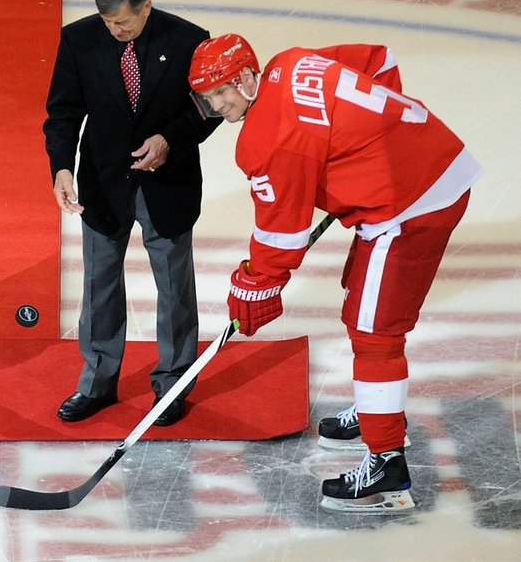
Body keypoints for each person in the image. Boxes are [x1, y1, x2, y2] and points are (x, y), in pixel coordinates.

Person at [188, 34, 481, 512]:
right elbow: (379, 61)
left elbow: (280, 235)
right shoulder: (292, 62)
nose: (218, 105)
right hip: (431, 158)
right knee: (358, 293)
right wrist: (373, 140)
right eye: (208, 97)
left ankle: (387, 464)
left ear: (244, 77)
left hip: (411, 208)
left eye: (222, 91)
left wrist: (254, 286)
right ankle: (375, 412)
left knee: (374, 330)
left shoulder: (265, 139)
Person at [43, 0, 222, 425]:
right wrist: (61, 167)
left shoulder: (188, 39)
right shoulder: (79, 39)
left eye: (123, 21)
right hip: (103, 184)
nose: (115, 30)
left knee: (173, 288)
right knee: (99, 285)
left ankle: (173, 384)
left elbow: (211, 105)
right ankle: (98, 384)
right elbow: (63, 112)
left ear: (147, 4)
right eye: (107, 21)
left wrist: (170, 141)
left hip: (169, 184)